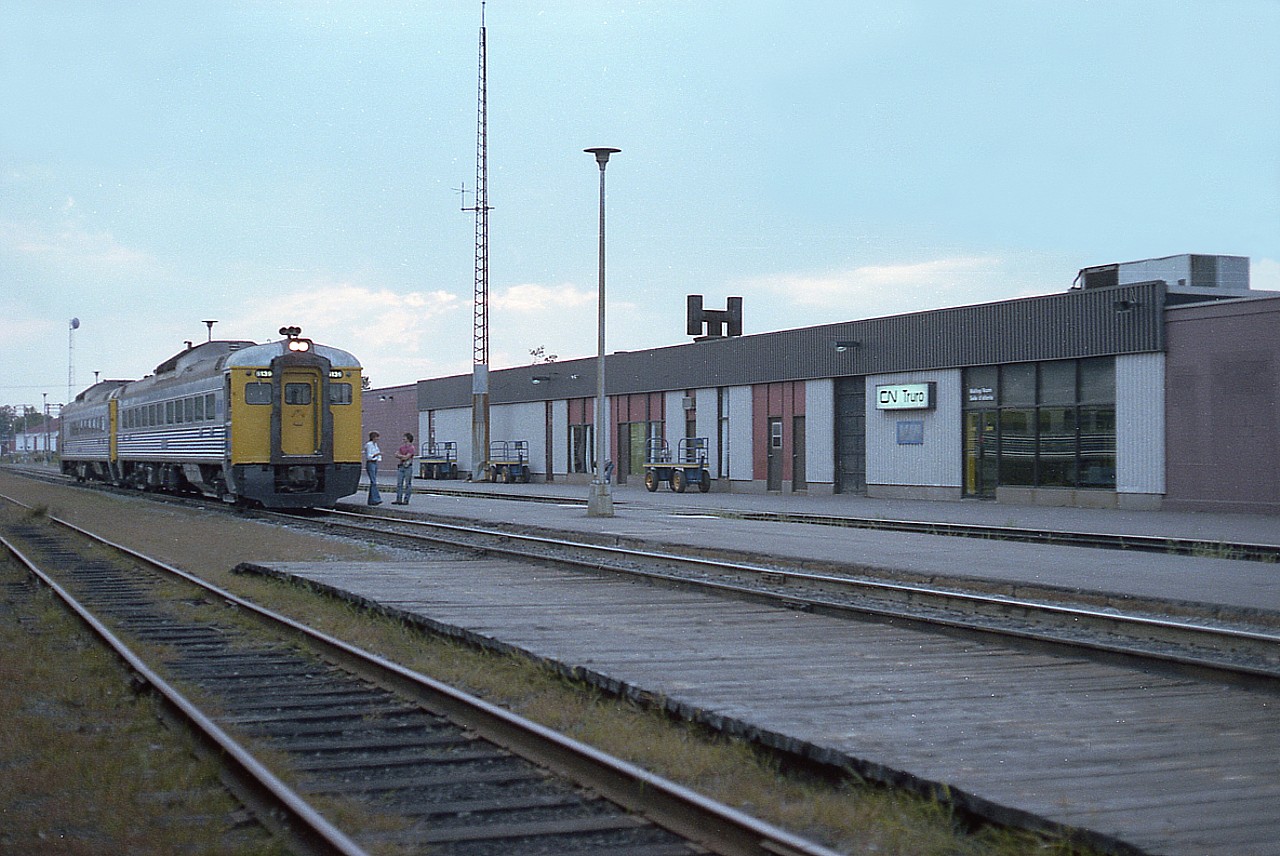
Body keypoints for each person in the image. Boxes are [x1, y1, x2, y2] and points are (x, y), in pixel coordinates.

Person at [393, 432, 417, 505]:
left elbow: (406, 457)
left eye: (405, 437)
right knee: (399, 484)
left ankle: (406, 500)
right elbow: (396, 454)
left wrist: (400, 456)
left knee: (407, 484)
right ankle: (398, 499)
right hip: (401, 466)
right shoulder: (401, 447)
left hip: (408, 467)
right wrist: (403, 456)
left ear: (408, 439)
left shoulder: (411, 448)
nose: (403, 439)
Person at [363, 431, 383, 505]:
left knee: (373, 481)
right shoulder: (369, 445)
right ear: (373, 437)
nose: (378, 439)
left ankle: (372, 500)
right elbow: (369, 456)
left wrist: (378, 456)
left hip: (374, 463)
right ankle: (376, 498)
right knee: (373, 481)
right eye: (377, 437)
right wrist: (376, 455)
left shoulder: (375, 445)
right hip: (370, 463)